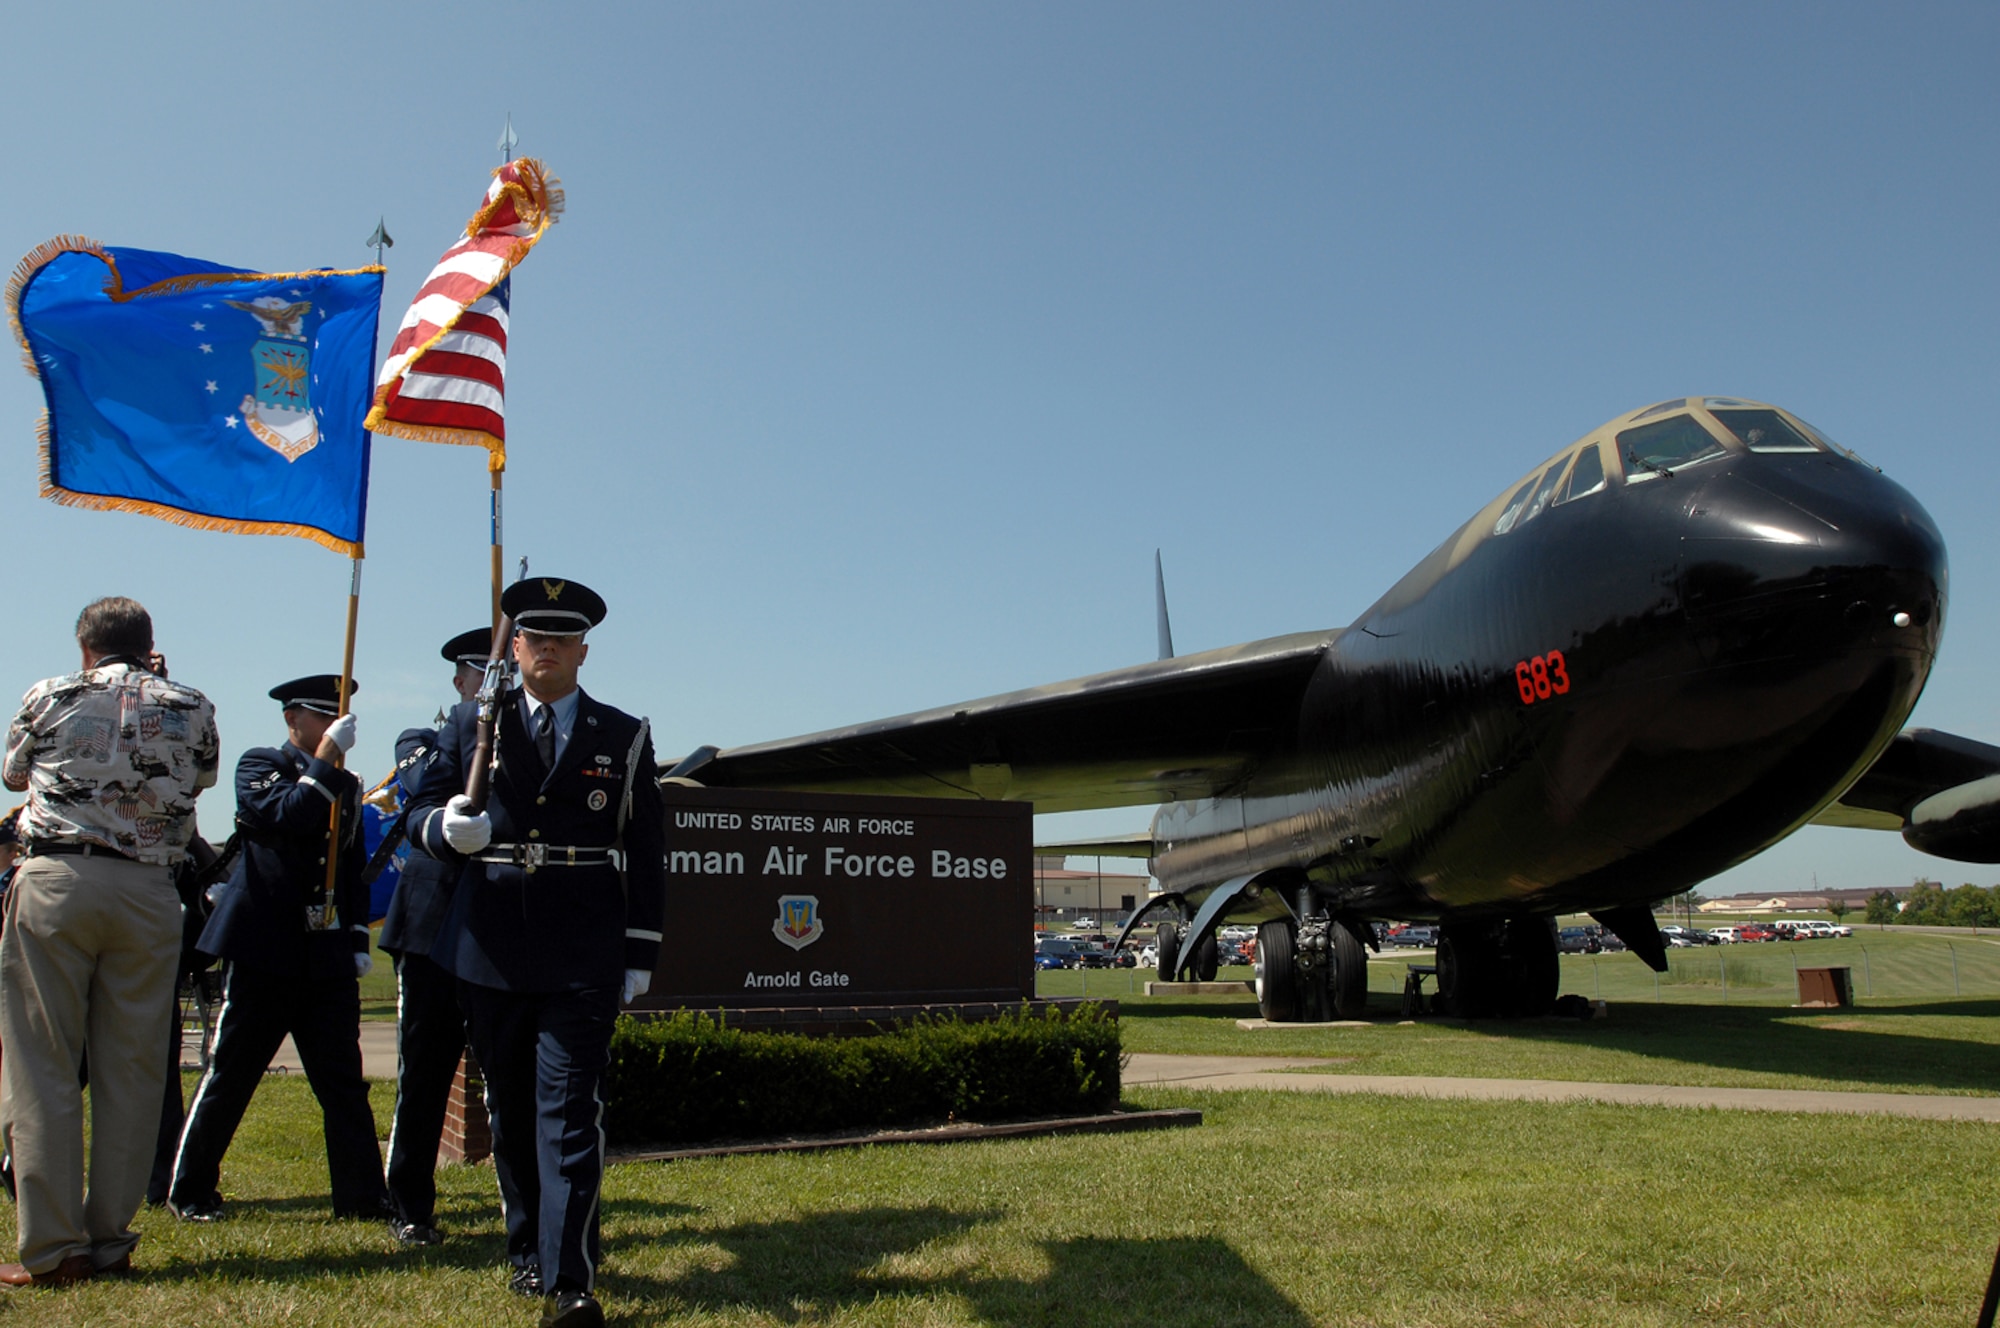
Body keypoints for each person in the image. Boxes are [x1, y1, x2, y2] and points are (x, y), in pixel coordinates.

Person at [409, 579, 664, 1328]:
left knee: (570, 1112)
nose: (546, 650)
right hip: (489, 942)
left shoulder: (623, 734)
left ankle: (570, 1283)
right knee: (512, 1110)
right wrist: (444, 829)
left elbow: (645, 847)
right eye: (533, 638)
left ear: (584, 650)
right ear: (513, 647)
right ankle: (527, 1246)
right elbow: (419, 809)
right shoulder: (468, 723)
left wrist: (640, 948)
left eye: (562, 639)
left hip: (582, 944)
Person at [0, 597, 218, 1287]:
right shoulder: (192, 705)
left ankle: (54, 1247)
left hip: (59, 879)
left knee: (43, 1064)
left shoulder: (49, 695)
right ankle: (110, 1238)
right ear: (150, 644)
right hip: (150, 891)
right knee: (134, 1070)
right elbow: (203, 777)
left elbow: (13, 774)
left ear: (85, 646)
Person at [167, 675, 390, 1222]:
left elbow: (351, 866)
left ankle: (363, 1199)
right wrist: (326, 762)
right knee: (233, 1074)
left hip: (325, 954)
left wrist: (357, 936)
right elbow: (289, 816)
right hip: (265, 947)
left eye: (339, 718)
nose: (334, 727)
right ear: (294, 719)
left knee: (343, 1082)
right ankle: (190, 1190)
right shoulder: (260, 764)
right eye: (323, 717)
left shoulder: (347, 782)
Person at [378, 626, 490, 1245]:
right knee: (424, 1073)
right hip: (431, 928)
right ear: (459, 681)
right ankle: (410, 1206)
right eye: (481, 673)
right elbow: (423, 790)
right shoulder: (422, 738)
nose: (491, 683)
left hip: (498, 927)